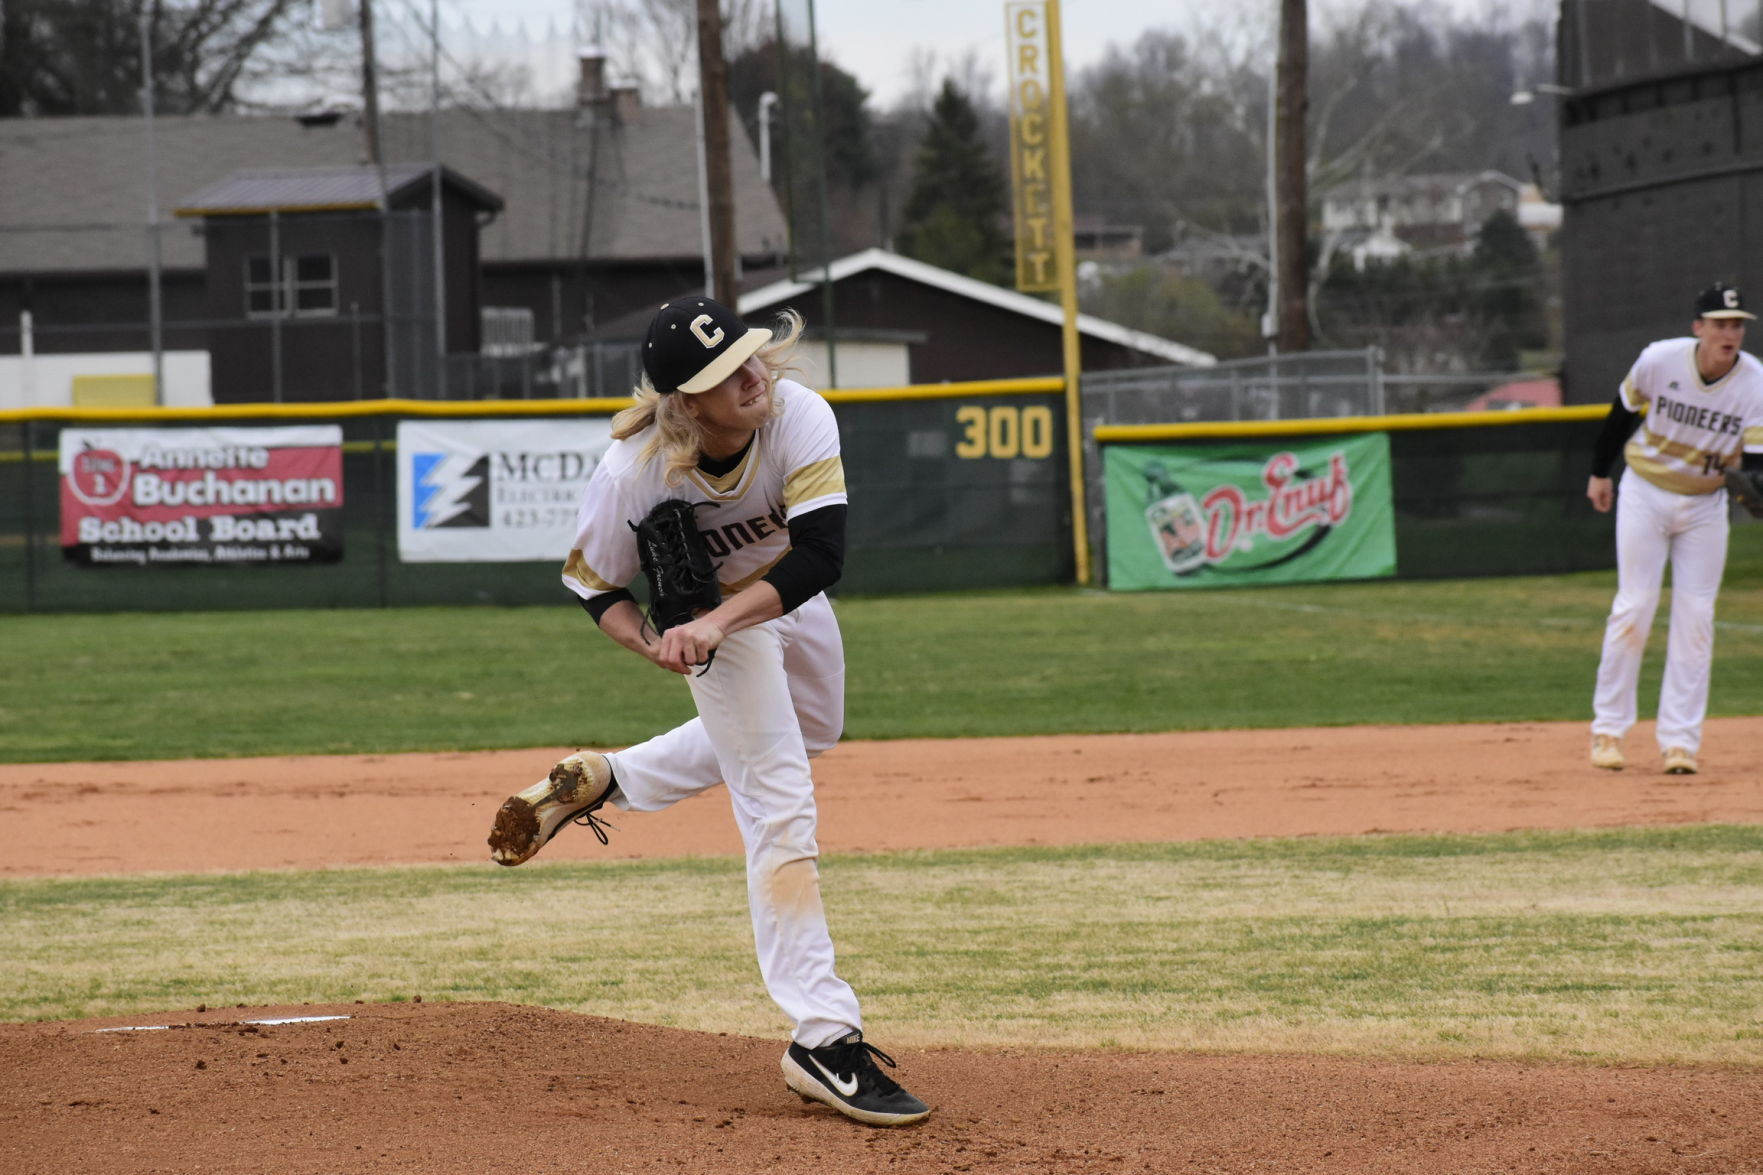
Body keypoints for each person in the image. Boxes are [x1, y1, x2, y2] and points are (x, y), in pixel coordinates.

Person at [485, 295, 931, 1128]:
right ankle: (822, 1035)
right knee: (779, 801)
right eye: (723, 374)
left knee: (813, 732)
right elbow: (594, 585)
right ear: (684, 402)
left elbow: (823, 553)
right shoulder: (635, 471)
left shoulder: (797, 413)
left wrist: (721, 617)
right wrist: (656, 641)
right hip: (720, 635)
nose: (751, 375)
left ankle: (611, 777)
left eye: (748, 355)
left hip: (768, 600)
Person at [1586, 281, 1763, 774]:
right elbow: (1621, 415)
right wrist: (1601, 472)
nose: (1731, 333)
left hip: (1705, 506)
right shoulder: (1660, 360)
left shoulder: (1755, 384)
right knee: (1634, 606)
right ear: (1698, 328)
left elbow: (1754, 464)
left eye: (1738, 325)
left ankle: (1680, 742)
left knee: (1696, 619)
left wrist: (1757, 490)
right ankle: (1608, 731)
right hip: (1645, 491)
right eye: (1721, 324)